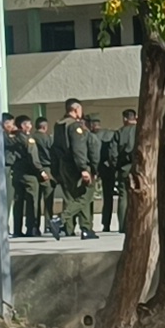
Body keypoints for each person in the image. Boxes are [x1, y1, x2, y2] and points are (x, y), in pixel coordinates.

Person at [52, 98, 100, 239]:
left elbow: (55, 148)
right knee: (86, 195)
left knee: (76, 196)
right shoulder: (74, 126)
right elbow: (78, 149)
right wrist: (84, 168)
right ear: (75, 109)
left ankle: (86, 229)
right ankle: (60, 220)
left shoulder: (59, 125)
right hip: (75, 166)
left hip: (64, 165)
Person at [101, 109, 137, 232]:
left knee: (123, 196)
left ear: (124, 119)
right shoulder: (141, 130)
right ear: (135, 117)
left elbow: (113, 153)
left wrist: (116, 166)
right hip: (140, 167)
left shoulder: (119, 133)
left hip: (124, 167)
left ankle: (123, 226)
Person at [34, 118, 56, 229]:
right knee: (48, 199)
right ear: (45, 127)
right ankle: (48, 225)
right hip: (47, 169)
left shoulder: (31, 138)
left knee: (35, 200)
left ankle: (34, 225)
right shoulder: (48, 139)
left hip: (34, 170)